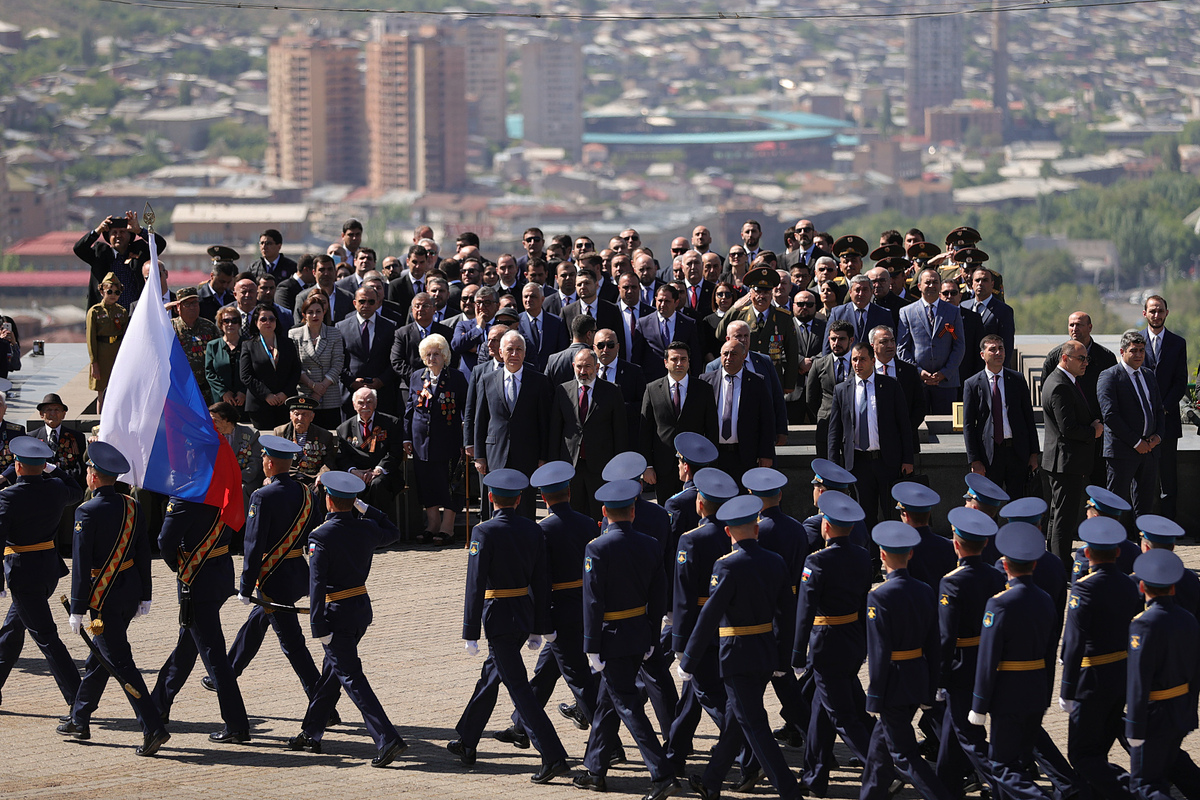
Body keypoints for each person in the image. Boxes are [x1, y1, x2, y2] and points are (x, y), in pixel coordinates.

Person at [449, 469, 570, 784]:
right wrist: (538, 625)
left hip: (498, 618)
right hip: (523, 614)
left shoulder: (483, 531)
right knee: (492, 675)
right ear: (518, 500)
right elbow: (541, 580)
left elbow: (475, 584)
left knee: (518, 689)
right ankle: (467, 741)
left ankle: (553, 755)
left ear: (490, 498)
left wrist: (470, 631)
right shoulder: (533, 529)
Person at [679, 494, 802, 800]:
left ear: (727, 532)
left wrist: (689, 659)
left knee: (755, 726)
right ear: (757, 529)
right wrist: (782, 659)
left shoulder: (726, 566)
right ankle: (711, 782)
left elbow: (709, 616)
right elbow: (786, 615)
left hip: (737, 655)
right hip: (765, 652)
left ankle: (789, 792)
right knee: (737, 721)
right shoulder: (775, 561)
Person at [288, 472, 407, 767]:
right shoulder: (366, 528)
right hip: (359, 610)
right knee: (333, 673)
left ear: (328, 500)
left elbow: (317, 584)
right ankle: (311, 732)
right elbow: (393, 531)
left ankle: (387, 738)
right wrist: (365, 508)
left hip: (335, 615)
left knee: (351, 676)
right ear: (353, 501)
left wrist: (317, 625)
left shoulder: (320, 535)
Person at [56, 442, 168, 755]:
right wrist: (146, 593)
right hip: (129, 592)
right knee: (100, 658)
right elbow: (144, 552)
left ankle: (153, 728)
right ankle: (79, 718)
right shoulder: (132, 505)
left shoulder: (86, 511)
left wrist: (77, 608)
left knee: (120, 662)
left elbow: (81, 565)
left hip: (102, 598)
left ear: (93, 476)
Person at [575, 479, 680, 800]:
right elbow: (658, 594)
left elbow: (592, 601)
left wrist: (591, 645)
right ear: (633, 511)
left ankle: (662, 773)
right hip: (639, 634)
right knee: (608, 704)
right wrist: (652, 635)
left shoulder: (597, 548)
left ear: (605, 512)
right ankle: (595, 770)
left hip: (611, 638)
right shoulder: (650, 544)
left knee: (627, 706)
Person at [210, 436, 325, 714]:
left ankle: (324, 705)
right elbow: (314, 530)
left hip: (273, 579)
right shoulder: (306, 493)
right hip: (296, 572)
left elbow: (253, 544)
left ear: (269, 463)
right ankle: (227, 672)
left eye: (263, 457)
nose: (262, 461)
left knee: (292, 644)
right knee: (257, 621)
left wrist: (245, 586)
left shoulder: (262, 496)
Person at [497, 462, 600, 747]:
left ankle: (609, 743)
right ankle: (521, 726)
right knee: (545, 671)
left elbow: (540, 577)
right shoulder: (588, 523)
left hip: (558, 610)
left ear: (543, 498)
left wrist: (538, 620)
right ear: (569, 492)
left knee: (578, 679)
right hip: (585, 604)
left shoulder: (542, 529)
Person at [791, 490, 875, 796]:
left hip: (826, 644)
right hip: (852, 638)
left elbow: (805, 611)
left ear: (825, 525)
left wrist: (798, 653)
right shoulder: (862, 556)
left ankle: (882, 769)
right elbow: (864, 601)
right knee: (820, 713)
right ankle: (814, 776)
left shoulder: (817, 560)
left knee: (841, 715)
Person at [860, 521, 952, 800]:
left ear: (882, 554)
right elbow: (934, 643)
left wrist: (875, 696)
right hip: (918, 675)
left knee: (903, 754)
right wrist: (931, 685)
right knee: (880, 746)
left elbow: (879, 652)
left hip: (893, 683)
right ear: (910, 554)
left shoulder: (878, 595)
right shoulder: (924, 590)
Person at [968, 522, 1058, 800]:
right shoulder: (1045, 599)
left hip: (1009, 693)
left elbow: (988, 659)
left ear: (1005, 565)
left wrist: (979, 705)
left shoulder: (999, 603)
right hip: (1036, 689)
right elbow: (1049, 649)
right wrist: (1046, 692)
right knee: (1019, 761)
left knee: (1002, 766)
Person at [150, 496, 250, 743]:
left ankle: (236, 723)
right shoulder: (223, 490)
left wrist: (179, 566)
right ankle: (158, 705)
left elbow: (165, 542)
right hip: (219, 572)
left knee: (213, 653)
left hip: (196, 579)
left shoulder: (185, 497)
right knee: (188, 645)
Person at [1058, 516, 1141, 800]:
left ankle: (1133, 790)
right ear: (1118, 552)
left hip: (1090, 681)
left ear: (1088, 553)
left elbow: (1074, 642)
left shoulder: (1084, 587)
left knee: (1081, 755)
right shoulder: (1129, 584)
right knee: (1099, 748)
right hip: (1121, 675)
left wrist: (1067, 690)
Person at [665, 468, 740, 777]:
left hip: (699, 627)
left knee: (708, 693)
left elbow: (683, 598)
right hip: (727, 623)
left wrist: (680, 642)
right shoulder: (733, 533)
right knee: (691, 698)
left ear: (700, 503)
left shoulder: (691, 540)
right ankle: (675, 754)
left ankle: (746, 749)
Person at [0, 438, 84, 710]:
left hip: (23, 574)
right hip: (48, 570)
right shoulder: (56, 488)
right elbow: (77, 490)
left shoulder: (8, 496)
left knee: (46, 637)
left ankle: (80, 701)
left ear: (18, 466)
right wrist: (53, 469)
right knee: (12, 631)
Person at [934, 507, 1004, 799]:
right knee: (954, 730)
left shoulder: (951, 581)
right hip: (987, 659)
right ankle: (945, 787)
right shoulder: (996, 575)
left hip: (961, 664)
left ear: (956, 544)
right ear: (986, 543)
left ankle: (1006, 787)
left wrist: (940, 677)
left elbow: (947, 636)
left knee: (969, 737)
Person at [1125, 548, 1200, 800]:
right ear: (1173, 588)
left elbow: (1139, 681)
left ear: (1142, 587)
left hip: (1154, 714)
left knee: (1145, 785)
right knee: (1163, 772)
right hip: (1180, 709)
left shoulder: (1143, 623)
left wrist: (1134, 727)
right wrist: (1190, 712)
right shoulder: (1188, 619)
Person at [829, 342, 914, 528]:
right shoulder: (842, 390)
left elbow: (904, 425)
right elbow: (835, 432)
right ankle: (869, 548)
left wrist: (908, 459)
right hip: (858, 464)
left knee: (892, 513)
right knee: (864, 516)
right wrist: (833, 466)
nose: (857, 364)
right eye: (854, 360)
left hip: (887, 462)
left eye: (862, 359)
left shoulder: (890, 386)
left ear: (873, 361)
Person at [473, 330, 551, 519]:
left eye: (519, 349)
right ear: (500, 352)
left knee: (525, 508)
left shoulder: (539, 381)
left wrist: (543, 457)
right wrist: (479, 456)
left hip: (527, 454)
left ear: (525, 352)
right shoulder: (487, 380)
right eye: (510, 349)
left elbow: (544, 422)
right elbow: (481, 419)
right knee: (497, 506)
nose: (514, 354)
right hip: (495, 453)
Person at [1042, 339, 1104, 567]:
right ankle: (1061, 564)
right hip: (1065, 462)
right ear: (1065, 359)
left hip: (1064, 461)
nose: (1085, 363)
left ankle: (1054, 560)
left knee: (1058, 514)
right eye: (1081, 359)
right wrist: (1094, 431)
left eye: (1087, 358)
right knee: (1064, 518)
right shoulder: (1060, 385)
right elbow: (1067, 428)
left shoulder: (1065, 380)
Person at [548, 347, 628, 520]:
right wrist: (554, 465)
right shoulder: (563, 390)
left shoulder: (612, 391)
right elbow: (555, 430)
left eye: (588, 366)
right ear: (573, 366)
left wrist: (619, 468)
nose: (583, 371)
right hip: (571, 465)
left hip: (600, 466)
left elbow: (620, 431)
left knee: (598, 515)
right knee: (573, 515)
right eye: (579, 366)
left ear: (597, 367)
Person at [403, 332, 467, 545]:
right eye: (428, 354)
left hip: (448, 441)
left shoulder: (456, 378)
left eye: (437, 354)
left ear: (445, 356)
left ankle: (447, 528)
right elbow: (410, 409)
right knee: (427, 483)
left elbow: (466, 411)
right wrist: (406, 438)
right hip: (421, 442)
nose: (432, 358)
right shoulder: (417, 377)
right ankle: (432, 525)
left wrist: (466, 440)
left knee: (449, 483)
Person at [640, 341, 719, 504]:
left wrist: (709, 464)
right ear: (665, 362)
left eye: (683, 359)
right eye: (674, 359)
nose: (679, 363)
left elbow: (712, 428)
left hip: (695, 466)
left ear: (689, 362)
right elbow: (645, 430)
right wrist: (647, 466)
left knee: (694, 511)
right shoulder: (652, 389)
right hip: (663, 466)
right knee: (666, 512)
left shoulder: (703, 389)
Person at [962, 335, 1040, 498]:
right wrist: (974, 460)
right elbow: (968, 425)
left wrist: (1034, 454)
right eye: (993, 349)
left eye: (1001, 348)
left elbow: (1028, 417)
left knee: (1018, 501)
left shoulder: (1017, 379)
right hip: (989, 455)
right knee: (989, 502)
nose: (998, 353)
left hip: (1017, 452)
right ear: (982, 355)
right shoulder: (972, 384)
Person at [1096, 330, 1163, 516]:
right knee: (1113, 505)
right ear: (1122, 351)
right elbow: (1110, 416)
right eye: (1133, 350)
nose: (1138, 355)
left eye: (1142, 350)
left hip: (1149, 451)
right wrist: (1136, 442)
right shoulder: (1109, 376)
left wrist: (1158, 436)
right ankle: (1110, 536)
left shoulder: (1148, 375)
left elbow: (1158, 409)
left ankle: (1142, 536)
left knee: (1145, 507)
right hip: (1122, 452)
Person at [700, 339, 775, 478]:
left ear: (744, 356)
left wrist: (766, 454)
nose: (729, 358)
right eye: (725, 354)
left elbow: (767, 421)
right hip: (713, 455)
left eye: (734, 354)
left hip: (744, 455)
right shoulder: (706, 381)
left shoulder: (757, 382)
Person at [717, 267, 799, 393]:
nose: (761, 296)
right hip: (743, 376)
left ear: (771, 294)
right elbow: (720, 334)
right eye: (758, 291)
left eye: (766, 292)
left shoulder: (784, 317)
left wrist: (789, 384)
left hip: (772, 379)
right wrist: (733, 309)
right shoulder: (740, 314)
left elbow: (792, 352)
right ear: (750, 293)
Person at [1140, 295, 1186, 518]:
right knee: (1141, 479)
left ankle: (1169, 527)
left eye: (1160, 311)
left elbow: (1180, 381)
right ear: (1145, 313)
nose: (1156, 315)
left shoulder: (1178, 343)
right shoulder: (1135, 342)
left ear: (1167, 313)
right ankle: (1140, 527)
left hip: (1168, 421)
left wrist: (1163, 408)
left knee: (1168, 479)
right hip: (1140, 423)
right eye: (1152, 311)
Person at [898, 267, 966, 415]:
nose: (931, 285)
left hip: (946, 383)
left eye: (935, 282)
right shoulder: (907, 312)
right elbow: (902, 348)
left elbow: (959, 345)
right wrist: (918, 372)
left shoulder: (953, 311)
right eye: (927, 282)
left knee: (947, 425)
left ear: (940, 286)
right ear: (919, 286)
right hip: (917, 382)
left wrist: (945, 372)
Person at [335, 387, 403, 521]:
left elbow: (395, 452)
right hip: (357, 473)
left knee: (377, 484)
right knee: (350, 485)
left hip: (384, 474)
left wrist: (378, 470)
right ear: (354, 405)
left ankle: (379, 525)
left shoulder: (391, 423)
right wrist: (354, 471)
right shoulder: (343, 429)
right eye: (361, 403)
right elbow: (342, 457)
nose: (365, 406)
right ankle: (354, 527)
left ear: (376, 403)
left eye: (369, 402)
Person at [289, 291, 346, 431]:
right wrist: (313, 386)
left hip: (329, 394)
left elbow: (338, 363)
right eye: (310, 312)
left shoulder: (334, 333)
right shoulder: (294, 334)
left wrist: (321, 388)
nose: (315, 315)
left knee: (330, 436)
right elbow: (294, 365)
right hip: (305, 393)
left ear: (324, 313)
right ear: (304, 315)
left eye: (318, 312)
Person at [240, 302, 301, 430]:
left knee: (285, 438)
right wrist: (267, 395)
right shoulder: (248, 345)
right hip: (259, 405)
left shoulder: (288, 343)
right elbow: (246, 375)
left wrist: (284, 393)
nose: (268, 322)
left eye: (272, 319)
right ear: (256, 322)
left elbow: (296, 371)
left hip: (285, 403)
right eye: (263, 319)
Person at [336, 287, 397, 415]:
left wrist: (381, 381)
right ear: (355, 303)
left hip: (382, 394)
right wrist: (351, 381)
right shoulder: (341, 327)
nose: (366, 305)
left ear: (378, 303)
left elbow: (394, 360)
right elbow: (338, 360)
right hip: (351, 395)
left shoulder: (390, 327)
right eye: (362, 301)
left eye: (371, 302)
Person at [806, 320, 855, 460]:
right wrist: (825, 413)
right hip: (826, 425)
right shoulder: (819, 364)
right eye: (833, 339)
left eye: (842, 339)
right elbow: (811, 399)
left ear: (851, 340)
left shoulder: (859, 363)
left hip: (853, 427)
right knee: (826, 466)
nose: (836, 343)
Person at [635, 284, 702, 382]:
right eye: (660, 301)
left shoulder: (688, 324)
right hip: (652, 380)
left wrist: (695, 381)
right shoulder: (643, 323)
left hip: (679, 378)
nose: (663, 304)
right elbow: (637, 356)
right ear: (655, 300)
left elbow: (695, 356)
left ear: (676, 302)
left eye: (667, 301)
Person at [273, 396, 338, 493]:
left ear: (312, 417)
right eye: (296, 414)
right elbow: (272, 458)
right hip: (287, 477)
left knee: (321, 489)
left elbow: (329, 462)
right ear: (290, 416)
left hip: (312, 478)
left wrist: (322, 475)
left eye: (304, 414)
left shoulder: (324, 435)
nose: (300, 418)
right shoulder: (280, 433)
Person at [86, 271, 129, 412]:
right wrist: (94, 363)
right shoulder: (95, 312)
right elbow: (91, 338)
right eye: (109, 291)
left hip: (117, 354)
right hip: (102, 355)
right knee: (102, 393)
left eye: (117, 292)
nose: (113, 295)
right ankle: (100, 421)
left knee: (118, 392)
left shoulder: (122, 312)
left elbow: (126, 337)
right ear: (102, 291)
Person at [169, 286, 220, 403]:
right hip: (181, 389)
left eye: (195, 303)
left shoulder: (209, 327)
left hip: (206, 389)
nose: (192, 307)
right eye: (187, 304)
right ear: (178, 307)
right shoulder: (170, 327)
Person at [822, 274, 891, 356]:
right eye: (857, 290)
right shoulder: (837, 313)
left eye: (865, 290)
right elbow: (827, 344)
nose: (861, 294)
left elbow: (890, 343)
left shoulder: (884, 314)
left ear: (872, 292)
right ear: (850, 292)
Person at [206, 304, 248, 417]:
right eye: (226, 321)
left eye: (234, 321)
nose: (230, 324)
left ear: (239, 324)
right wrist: (223, 392)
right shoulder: (212, 346)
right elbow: (210, 373)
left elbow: (254, 372)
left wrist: (244, 392)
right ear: (220, 324)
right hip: (220, 400)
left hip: (244, 401)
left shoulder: (249, 344)